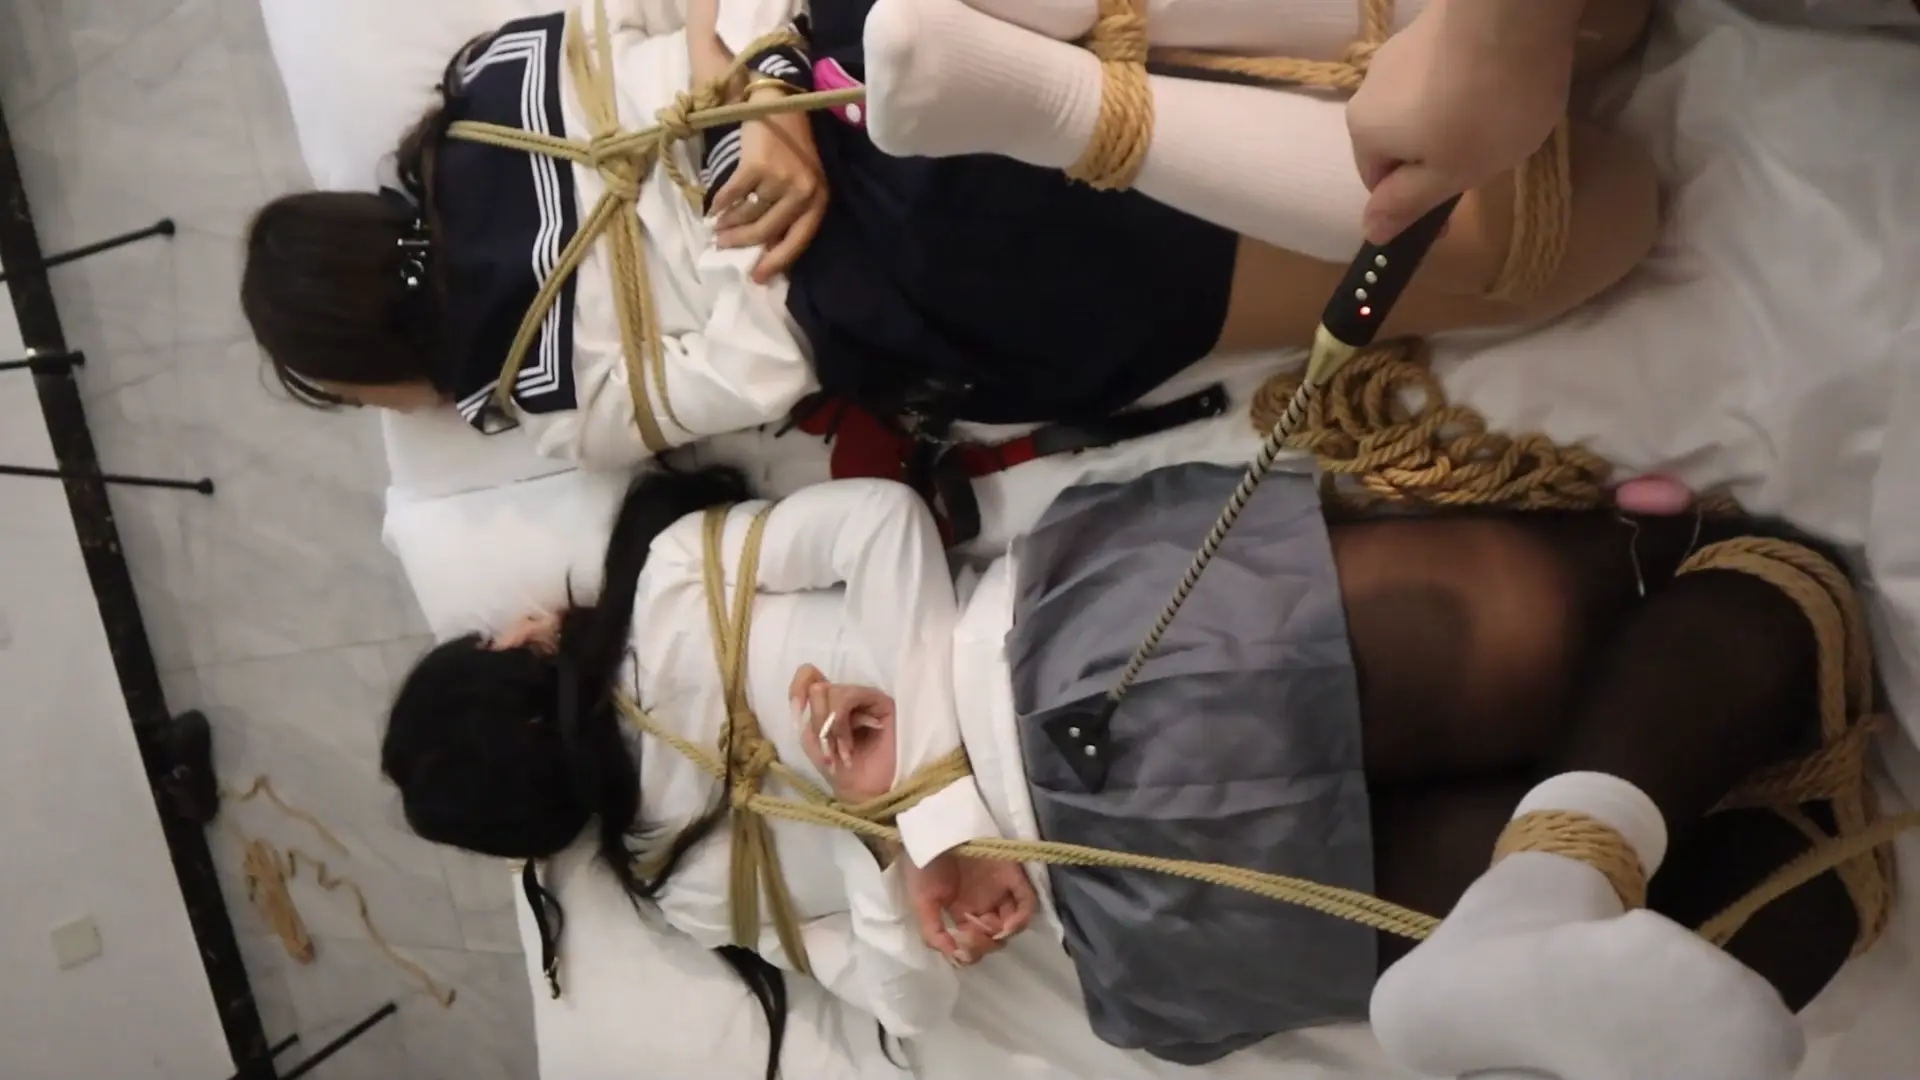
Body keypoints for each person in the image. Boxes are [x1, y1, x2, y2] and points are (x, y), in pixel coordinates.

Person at [381, 462, 1862, 1080]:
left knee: (1772, 886)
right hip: (1113, 671)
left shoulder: (685, 891)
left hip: (1168, 910)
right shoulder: (667, 585)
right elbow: (884, 523)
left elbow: (906, 1005)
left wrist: (909, 844)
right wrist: (908, 815)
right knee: (1688, 582)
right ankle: (1587, 837)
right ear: (514, 650)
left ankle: (1728, 888)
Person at [239, 0, 1659, 473]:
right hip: (842, 59)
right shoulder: (496, 81)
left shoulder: (540, 399)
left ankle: (1499, 201)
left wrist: (755, 167)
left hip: (923, 265)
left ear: (365, 369)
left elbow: (761, 364)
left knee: (1572, 231)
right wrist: (761, 87)